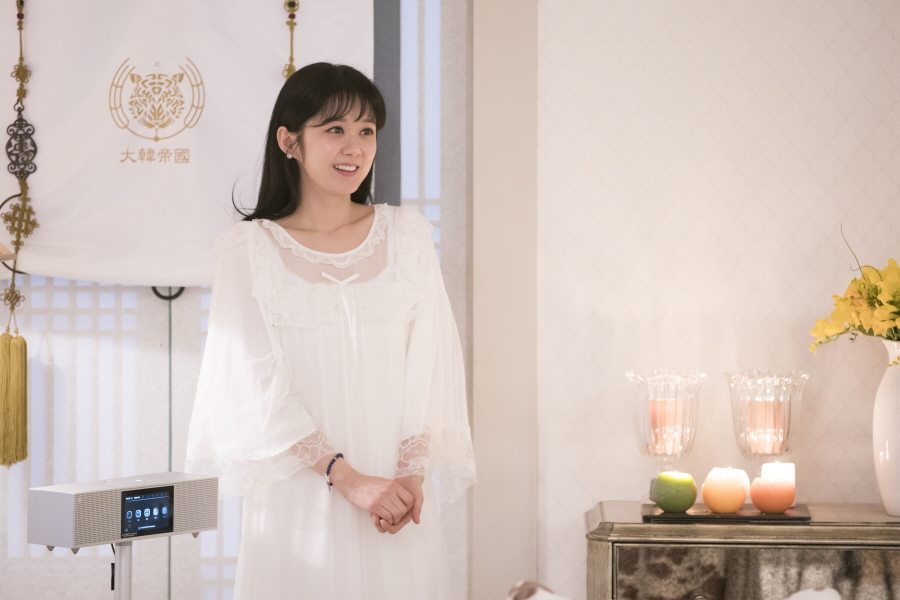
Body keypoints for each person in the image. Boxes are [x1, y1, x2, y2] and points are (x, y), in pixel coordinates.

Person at [185, 62, 476, 599]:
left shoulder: (406, 235)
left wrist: (408, 478)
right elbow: (253, 386)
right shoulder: (248, 250)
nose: (354, 148)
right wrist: (348, 479)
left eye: (367, 131)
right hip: (298, 503)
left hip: (396, 499)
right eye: (335, 129)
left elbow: (431, 361)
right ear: (289, 141)